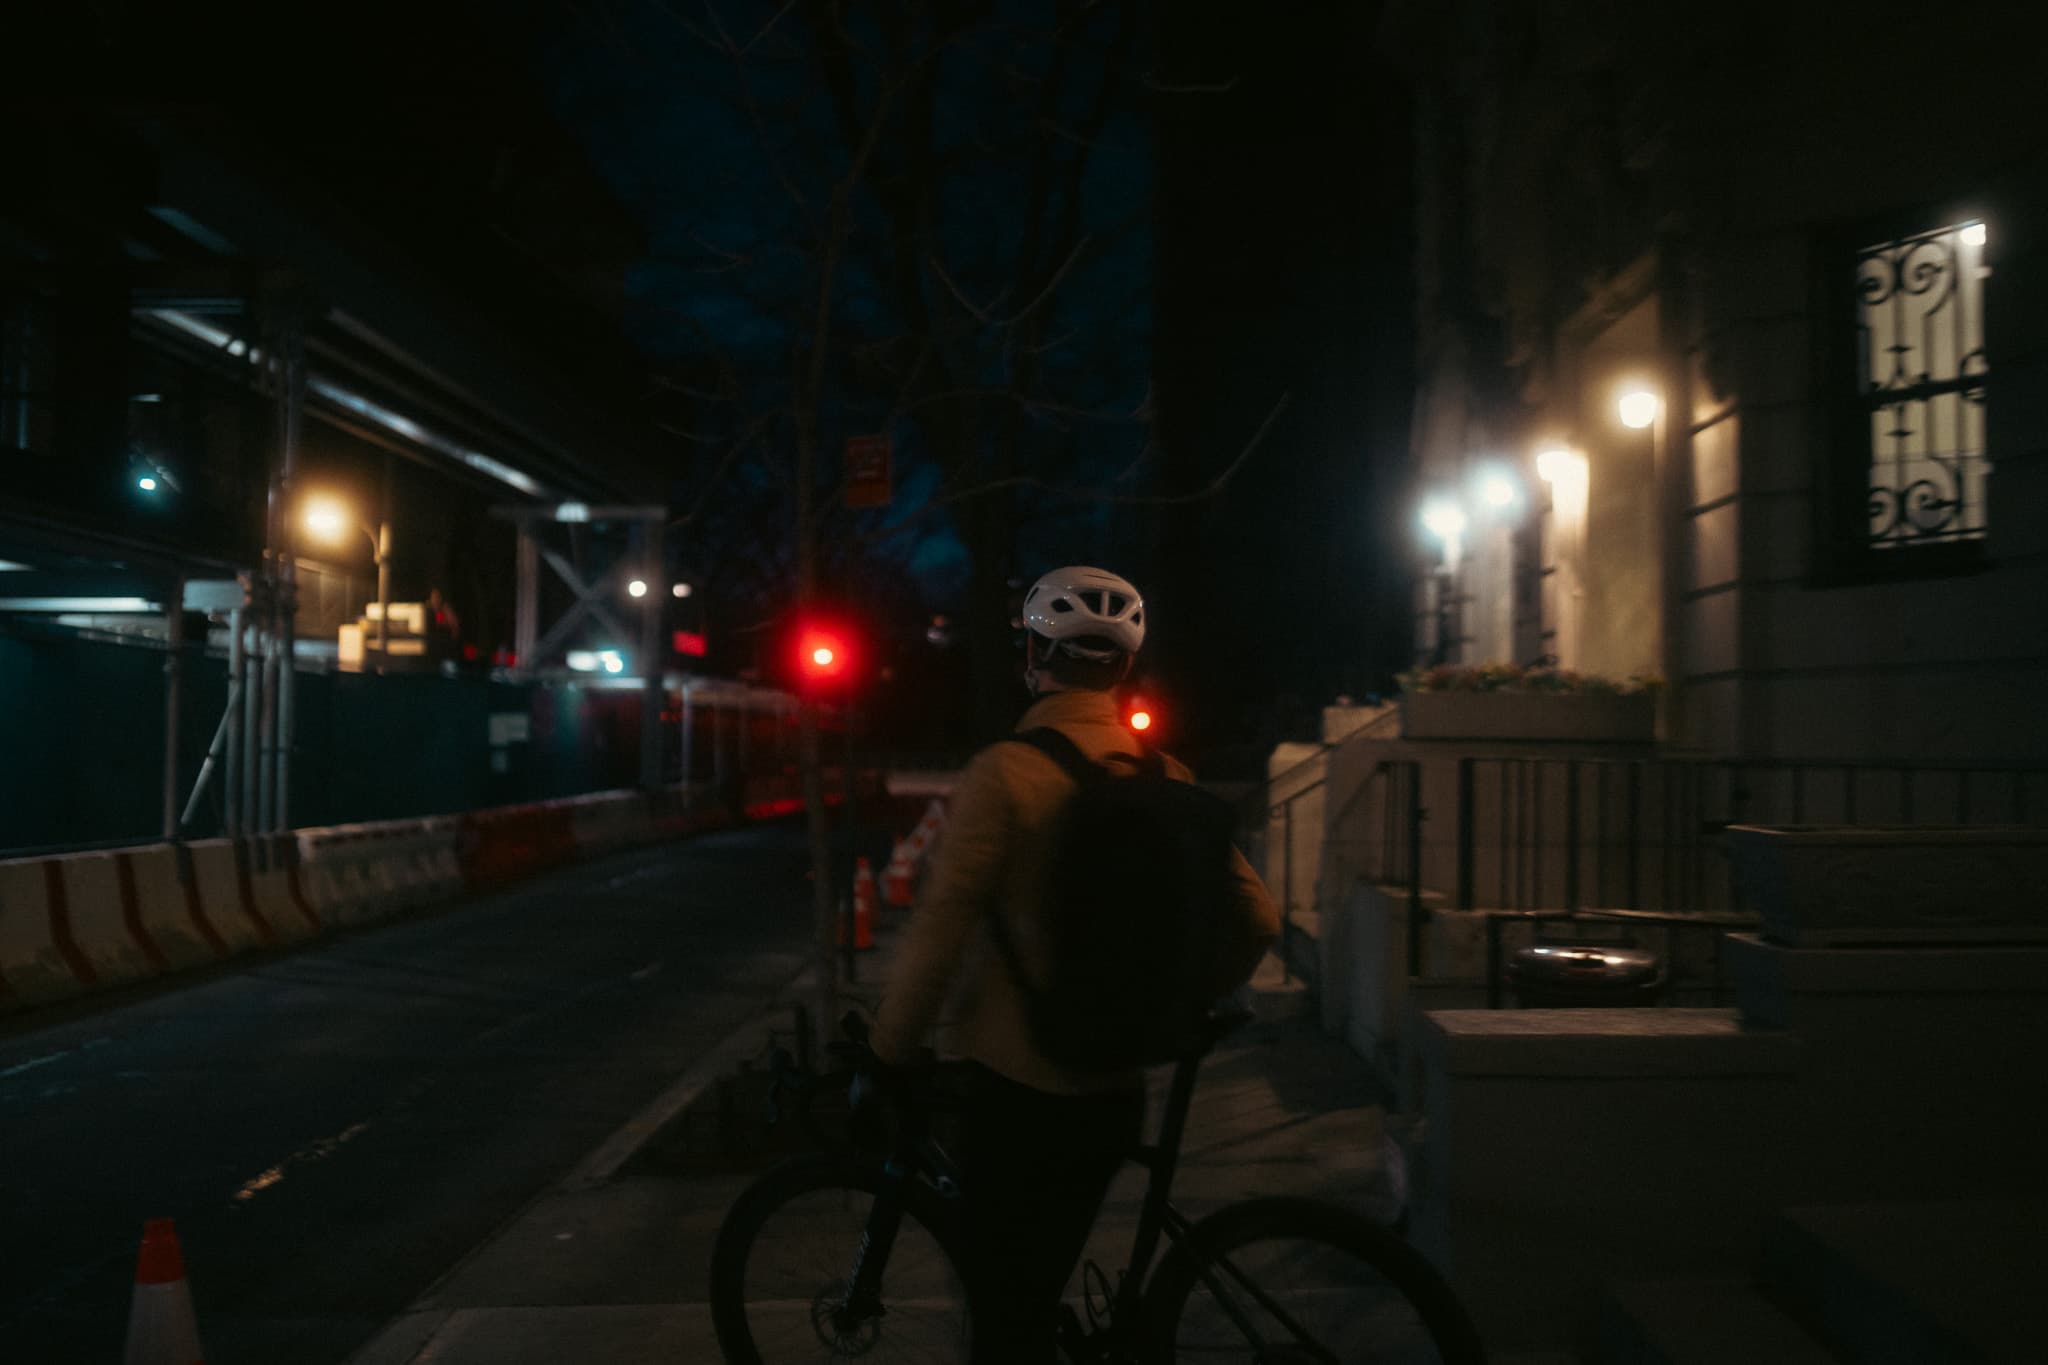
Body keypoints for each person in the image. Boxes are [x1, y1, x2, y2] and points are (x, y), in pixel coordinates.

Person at [867, 564, 1282, 1364]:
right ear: (1123, 669)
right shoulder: (1168, 777)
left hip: (1017, 1093)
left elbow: (941, 930)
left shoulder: (1005, 775)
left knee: (1004, 1316)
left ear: (1034, 655)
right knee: (1040, 1279)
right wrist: (1187, 994)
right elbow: (1258, 917)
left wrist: (889, 1051)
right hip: (1117, 1085)